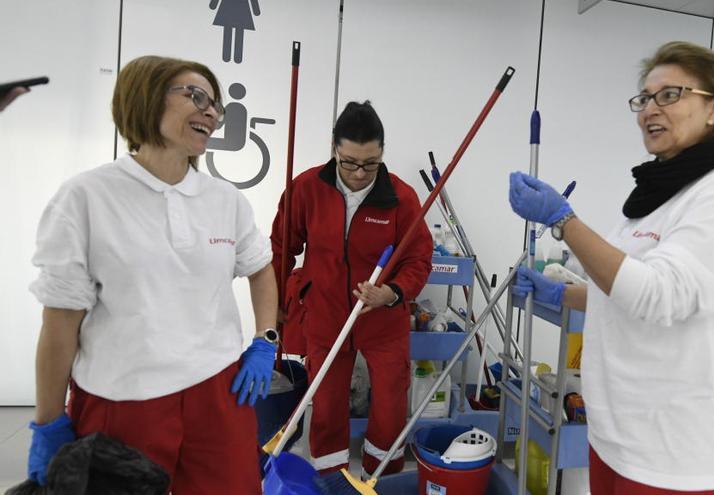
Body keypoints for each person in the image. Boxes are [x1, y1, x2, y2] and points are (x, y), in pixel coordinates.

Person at [509, 41, 714, 494]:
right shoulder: (651, 200)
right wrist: (559, 294)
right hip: (618, 434)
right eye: (644, 98)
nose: (650, 109)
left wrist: (564, 222)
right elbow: (625, 291)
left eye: (670, 95)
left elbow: (656, 295)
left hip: (679, 450)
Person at [26, 55, 277, 494]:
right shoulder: (87, 197)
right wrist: (48, 421)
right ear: (145, 99)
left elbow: (260, 268)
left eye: (215, 104)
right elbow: (60, 323)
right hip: (123, 399)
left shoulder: (224, 200)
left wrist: (265, 339)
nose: (212, 112)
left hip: (218, 393)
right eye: (195, 96)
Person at [270, 101, 433, 477]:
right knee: (325, 406)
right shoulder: (307, 188)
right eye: (350, 162)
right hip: (325, 312)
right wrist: (278, 303)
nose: (360, 173)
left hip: (381, 318)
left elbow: (418, 260)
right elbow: (281, 248)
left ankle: (379, 478)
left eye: (370, 163)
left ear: (382, 153)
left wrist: (392, 292)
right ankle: (331, 480)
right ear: (334, 149)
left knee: (390, 402)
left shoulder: (401, 198)